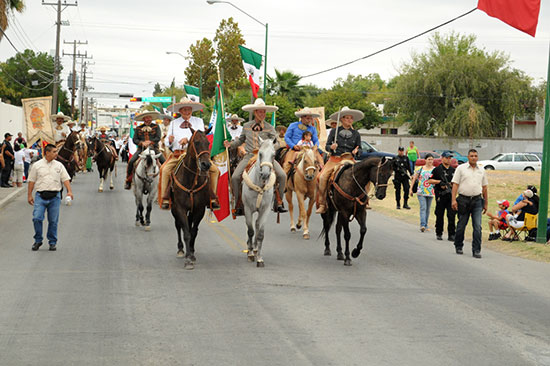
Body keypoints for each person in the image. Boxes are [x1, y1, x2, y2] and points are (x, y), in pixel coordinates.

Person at [224, 98, 287, 216]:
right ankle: (238, 204)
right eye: (259, 112)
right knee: (235, 177)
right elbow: (240, 141)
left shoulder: (269, 127)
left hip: (266, 158)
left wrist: (272, 146)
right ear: (254, 112)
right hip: (250, 156)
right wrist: (230, 144)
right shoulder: (247, 126)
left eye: (263, 112)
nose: (262, 114)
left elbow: (277, 142)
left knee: (282, 175)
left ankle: (278, 202)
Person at [159, 97, 220, 210]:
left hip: (197, 155)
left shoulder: (199, 121)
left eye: (189, 109)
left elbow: (201, 137)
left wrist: (187, 140)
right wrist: (170, 141)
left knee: (215, 170)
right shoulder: (173, 123)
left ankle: (212, 197)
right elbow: (167, 142)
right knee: (164, 169)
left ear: (192, 110)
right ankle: (165, 198)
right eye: (184, 109)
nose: (187, 112)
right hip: (178, 154)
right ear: (180, 111)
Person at [316, 106, 363, 214]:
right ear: (341, 119)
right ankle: (322, 203)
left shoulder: (356, 134)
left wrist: (357, 151)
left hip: (350, 160)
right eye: (346, 118)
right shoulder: (334, 131)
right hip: (335, 159)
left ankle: (364, 200)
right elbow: (327, 146)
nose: (349, 120)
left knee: (365, 176)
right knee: (321, 177)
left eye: (351, 118)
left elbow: (359, 148)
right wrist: (331, 148)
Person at [27, 144, 74, 251]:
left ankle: (52, 242)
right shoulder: (37, 165)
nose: (56, 154)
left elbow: (65, 179)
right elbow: (31, 181)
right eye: (54, 152)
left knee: (53, 221)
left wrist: (69, 191)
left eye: (56, 151)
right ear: (47, 153)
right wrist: (29, 195)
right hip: (40, 196)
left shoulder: (59, 165)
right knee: (37, 218)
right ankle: (38, 240)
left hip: (55, 197)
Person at [451, 149, 488, 258]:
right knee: (462, 225)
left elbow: (485, 187)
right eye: (471, 156)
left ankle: (476, 250)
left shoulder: (481, 170)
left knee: (477, 226)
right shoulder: (461, 168)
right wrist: (453, 200)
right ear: (468, 157)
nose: (473, 158)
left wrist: (485, 203)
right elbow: (455, 185)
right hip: (463, 200)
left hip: (477, 200)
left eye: (475, 156)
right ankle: (458, 245)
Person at [125, 111, 164, 189]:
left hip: (154, 148)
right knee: (131, 161)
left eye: (149, 117)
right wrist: (141, 143)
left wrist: (150, 142)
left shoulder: (156, 127)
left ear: (151, 118)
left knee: (164, 162)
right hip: (141, 149)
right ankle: (128, 180)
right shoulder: (138, 128)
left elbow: (158, 137)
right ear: (143, 119)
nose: (148, 119)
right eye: (146, 118)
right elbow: (135, 139)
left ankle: (166, 181)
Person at [283, 107, 321, 174]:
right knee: (287, 166)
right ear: (302, 117)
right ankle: (284, 181)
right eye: (307, 118)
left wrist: (315, 147)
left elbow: (316, 140)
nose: (309, 120)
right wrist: (293, 146)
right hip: (295, 150)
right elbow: (286, 137)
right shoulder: (293, 125)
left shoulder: (313, 129)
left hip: (310, 150)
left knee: (321, 162)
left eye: (310, 118)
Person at [427, 151, 456, 240]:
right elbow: (429, 181)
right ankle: (439, 232)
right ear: (442, 158)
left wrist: (451, 185)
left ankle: (451, 234)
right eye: (447, 158)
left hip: (450, 195)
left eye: (449, 158)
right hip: (440, 195)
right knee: (440, 215)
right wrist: (439, 182)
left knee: (451, 215)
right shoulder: (437, 169)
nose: (448, 159)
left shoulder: (453, 170)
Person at [410, 154, 435, 232]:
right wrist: (411, 188)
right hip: (421, 191)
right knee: (423, 207)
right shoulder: (420, 169)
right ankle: (423, 225)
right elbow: (414, 178)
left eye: (431, 159)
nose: (430, 161)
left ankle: (426, 224)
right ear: (425, 160)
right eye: (429, 159)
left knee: (428, 209)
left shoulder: (435, 169)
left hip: (430, 192)